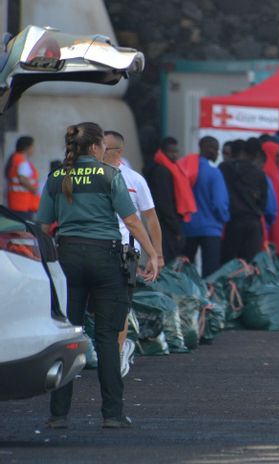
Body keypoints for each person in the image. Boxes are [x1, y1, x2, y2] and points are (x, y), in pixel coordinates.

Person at [36, 122, 159, 429]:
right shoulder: (110, 175)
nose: (106, 149)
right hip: (106, 259)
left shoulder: (56, 177)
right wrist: (152, 253)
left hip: (67, 259)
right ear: (94, 148)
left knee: (67, 336)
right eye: (103, 144)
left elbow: (41, 226)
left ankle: (58, 414)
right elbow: (131, 220)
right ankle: (113, 414)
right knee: (106, 338)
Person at [103, 130, 163, 378]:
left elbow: (149, 218)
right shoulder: (91, 177)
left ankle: (116, 355)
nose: (96, 152)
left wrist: (155, 255)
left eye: (102, 148)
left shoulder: (133, 179)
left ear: (117, 152)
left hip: (127, 250)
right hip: (96, 246)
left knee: (120, 306)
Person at [182, 136, 229, 277]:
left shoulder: (185, 170)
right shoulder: (214, 173)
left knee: (185, 268)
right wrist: (224, 218)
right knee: (211, 272)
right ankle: (209, 297)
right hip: (211, 229)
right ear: (207, 148)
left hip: (189, 227)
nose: (217, 153)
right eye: (215, 149)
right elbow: (220, 203)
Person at [144, 137, 195, 262]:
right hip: (165, 226)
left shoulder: (170, 169)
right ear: (162, 152)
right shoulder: (162, 171)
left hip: (167, 224)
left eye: (176, 151)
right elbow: (165, 203)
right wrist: (175, 228)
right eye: (171, 152)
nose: (175, 155)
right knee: (167, 261)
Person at [220, 139, 268, 263]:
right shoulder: (259, 173)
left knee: (227, 263)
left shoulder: (224, 168)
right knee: (250, 263)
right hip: (253, 223)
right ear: (257, 155)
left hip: (233, 222)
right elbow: (264, 201)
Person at [4, 136, 40, 220]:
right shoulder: (22, 162)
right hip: (23, 204)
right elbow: (22, 179)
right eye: (32, 146)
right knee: (25, 230)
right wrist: (34, 189)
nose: (33, 149)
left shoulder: (15, 159)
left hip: (16, 203)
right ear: (27, 148)